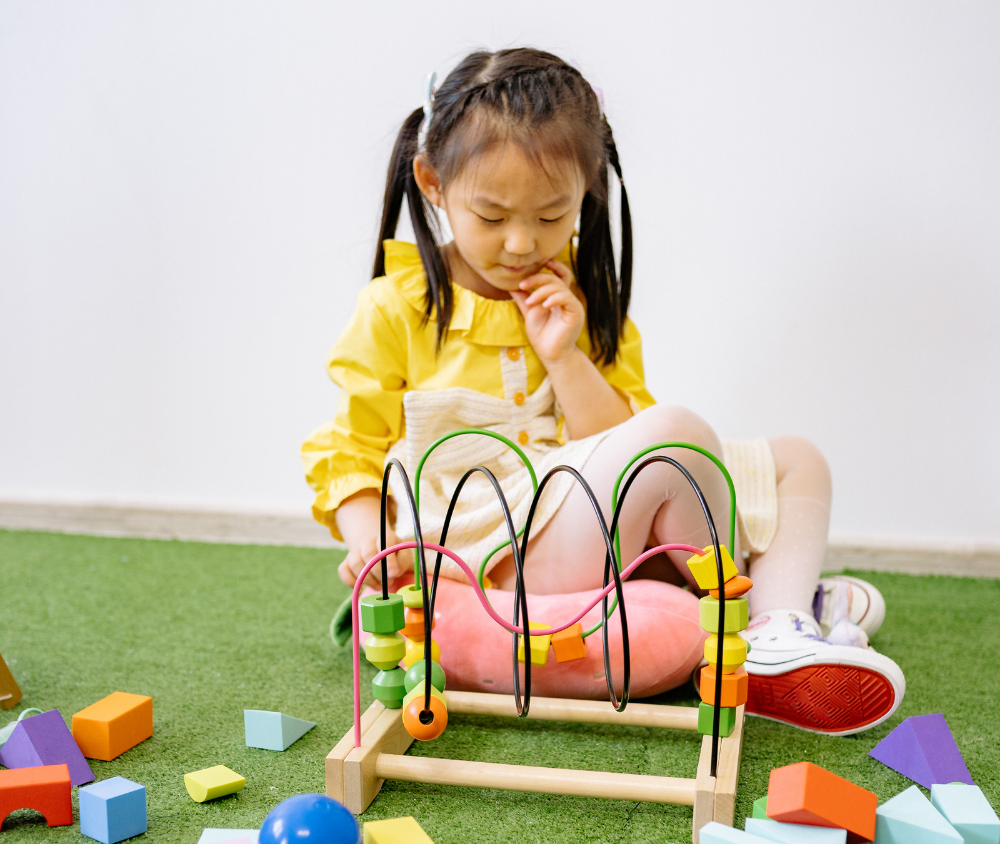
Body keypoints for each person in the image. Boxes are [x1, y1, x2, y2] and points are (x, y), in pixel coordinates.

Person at [302, 47, 903, 735]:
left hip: (586, 515)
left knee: (798, 459)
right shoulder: (396, 307)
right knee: (677, 431)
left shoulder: (581, 298)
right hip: (497, 556)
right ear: (433, 183)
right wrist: (368, 541)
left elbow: (618, 442)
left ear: (587, 188)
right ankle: (774, 609)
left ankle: (780, 625)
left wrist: (565, 358)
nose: (523, 243)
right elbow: (349, 446)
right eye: (493, 218)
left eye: (552, 214)